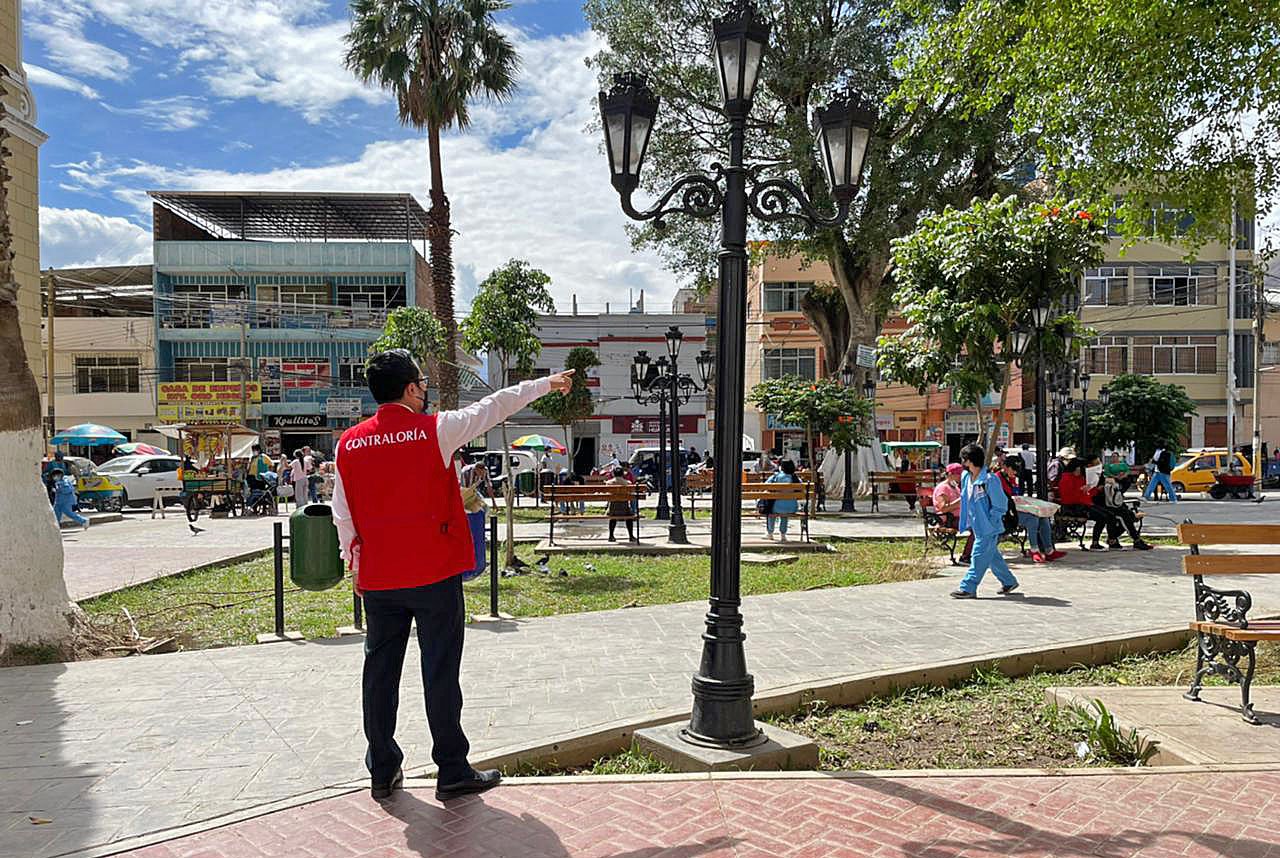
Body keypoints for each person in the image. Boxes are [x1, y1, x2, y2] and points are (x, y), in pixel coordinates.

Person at [332, 349, 573, 803]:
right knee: (439, 671)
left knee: (379, 674)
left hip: (380, 578)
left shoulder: (348, 443)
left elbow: (342, 516)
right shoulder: (435, 431)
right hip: (433, 572)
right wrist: (544, 384)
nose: (426, 390)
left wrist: (357, 567)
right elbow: (493, 406)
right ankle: (451, 769)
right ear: (410, 389)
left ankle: (382, 771)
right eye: (421, 382)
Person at [950, 444, 1020, 599]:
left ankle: (968, 587)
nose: (962, 462)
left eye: (964, 459)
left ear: (969, 460)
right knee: (992, 556)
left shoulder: (989, 480)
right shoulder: (966, 477)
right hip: (977, 525)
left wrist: (991, 521)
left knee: (978, 556)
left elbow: (1000, 504)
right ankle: (1008, 581)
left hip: (988, 527)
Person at [999, 458, 1063, 563]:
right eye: (1013, 470)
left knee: (1043, 517)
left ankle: (1049, 550)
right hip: (1004, 513)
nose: (1015, 473)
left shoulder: (1011, 478)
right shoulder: (997, 479)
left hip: (1013, 509)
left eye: (1016, 471)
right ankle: (1034, 550)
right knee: (1032, 519)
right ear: (1004, 467)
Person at [1059, 457, 1122, 550]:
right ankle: (1096, 542)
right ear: (1076, 468)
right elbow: (1069, 496)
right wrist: (1082, 490)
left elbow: (1088, 493)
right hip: (1074, 506)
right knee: (1103, 517)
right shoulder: (1066, 478)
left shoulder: (1080, 477)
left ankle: (1111, 539)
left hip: (1085, 503)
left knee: (1110, 515)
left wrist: (1093, 489)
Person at [932, 463, 973, 564]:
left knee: (981, 525)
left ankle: (972, 554)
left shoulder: (955, 487)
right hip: (949, 520)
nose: (960, 477)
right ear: (950, 474)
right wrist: (960, 501)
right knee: (977, 528)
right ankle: (966, 556)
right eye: (958, 474)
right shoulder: (943, 488)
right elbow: (943, 508)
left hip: (959, 518)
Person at [1102, 469, 1153, 550]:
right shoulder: (1105, 482)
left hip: (1115, 506)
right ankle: (1136, 540)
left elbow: (1118, 500)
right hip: (1107, 506)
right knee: (1125, 516)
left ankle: (1112, 538)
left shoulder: (1120, 483)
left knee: (1130, 515)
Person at [765, 459, 800, 541]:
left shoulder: (776, 476)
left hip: (776, 507)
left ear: (782, 467)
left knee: (771, 511)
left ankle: (770, 533)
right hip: (792, 507)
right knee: (784, 513)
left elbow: (766, 486)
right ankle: (783, 534)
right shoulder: (795, 478)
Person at [605, 466, 636, 542]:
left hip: (613, 509)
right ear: (623, 474)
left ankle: (611, 536)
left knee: (613, 517)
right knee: (629, 517)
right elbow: (631, 495)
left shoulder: (608, 483)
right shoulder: (628, 483)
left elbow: (607, 496)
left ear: (613, 474)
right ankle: (631, 536)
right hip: (625, 509)